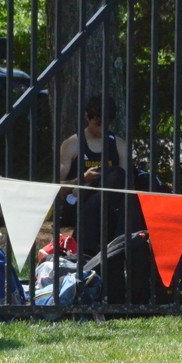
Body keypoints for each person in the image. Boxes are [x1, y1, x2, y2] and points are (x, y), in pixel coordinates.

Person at [58, 94, 129, 257]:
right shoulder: (72, 144)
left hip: (109, 206)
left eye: (106, 124)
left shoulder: (119, 145)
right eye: (98, 124)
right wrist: (83, 179)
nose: (101, 129)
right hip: (79, 200)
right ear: (87, 117)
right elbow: (57, 187)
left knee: (117, 175)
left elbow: (125, 186)